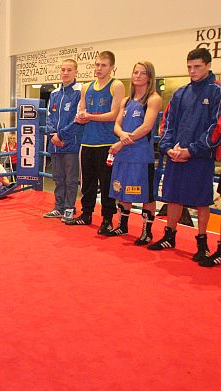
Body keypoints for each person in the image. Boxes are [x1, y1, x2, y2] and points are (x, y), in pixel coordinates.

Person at [148, 48, 221, 263]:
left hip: (200, 156)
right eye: (189, 67)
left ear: (208, 65)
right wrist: (168, 147)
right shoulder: (180, 92)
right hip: (176, 154)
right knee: (173, 195)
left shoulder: (216, 92)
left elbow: (216, 127)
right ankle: (169, 235)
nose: (192, 71)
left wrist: (192, 150)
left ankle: (202, 243)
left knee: (202, 200)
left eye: (197, 66)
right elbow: (167, 123)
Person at [66, 51, 125, 234]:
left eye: (103, 65)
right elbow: (82, 110)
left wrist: (89, 116)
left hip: (107, 142)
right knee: (87, 183)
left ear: (112, 67)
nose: (99, 68)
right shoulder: (87, 87)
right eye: (97, 64)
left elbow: (114, 115)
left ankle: (107, 219)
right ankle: (86, 214)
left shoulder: (116, 85)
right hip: (87, 141)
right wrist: (81, 116)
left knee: (106, 184)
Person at [104, 61, 162, 244]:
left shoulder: (153, 99)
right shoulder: (126, 101)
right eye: (135, 72)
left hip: (141, 156)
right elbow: (116, 125)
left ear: (149, 76)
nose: (137, 75)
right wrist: (122, 136)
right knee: (121, 190)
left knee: (146, 195)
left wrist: (122, 142)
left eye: (142, 73)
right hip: (123, 154)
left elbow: (146, 127)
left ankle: (147, 232)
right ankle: (122, 225)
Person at [43, 59, 83, 222]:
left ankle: (69, 208)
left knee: (71, 179)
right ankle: (58, 207)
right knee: (58, 177)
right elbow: (48, 117)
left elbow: (78, 118)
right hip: (55, 143)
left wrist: (61, 136)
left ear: (76, 72)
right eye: (63, 69)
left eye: (69, 70)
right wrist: (53, 134)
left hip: (71, 143)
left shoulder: (80, 91)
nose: (65, 73)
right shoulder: (54, 93)